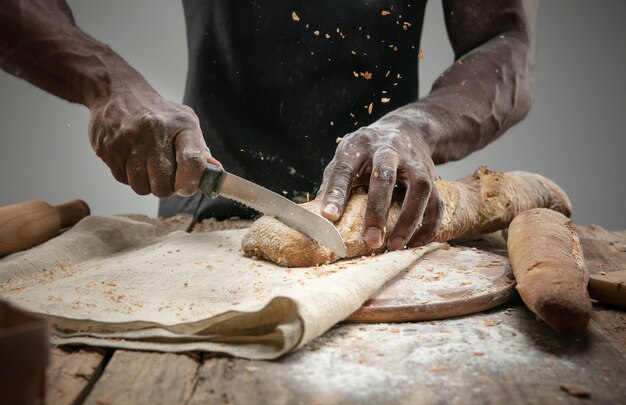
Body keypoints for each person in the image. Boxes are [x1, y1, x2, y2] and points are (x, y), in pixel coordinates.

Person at [0, 0, 537, 251]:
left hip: (381, 224)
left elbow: (506, 46)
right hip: (201, 218)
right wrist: (108, 83)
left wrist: (419, 126)